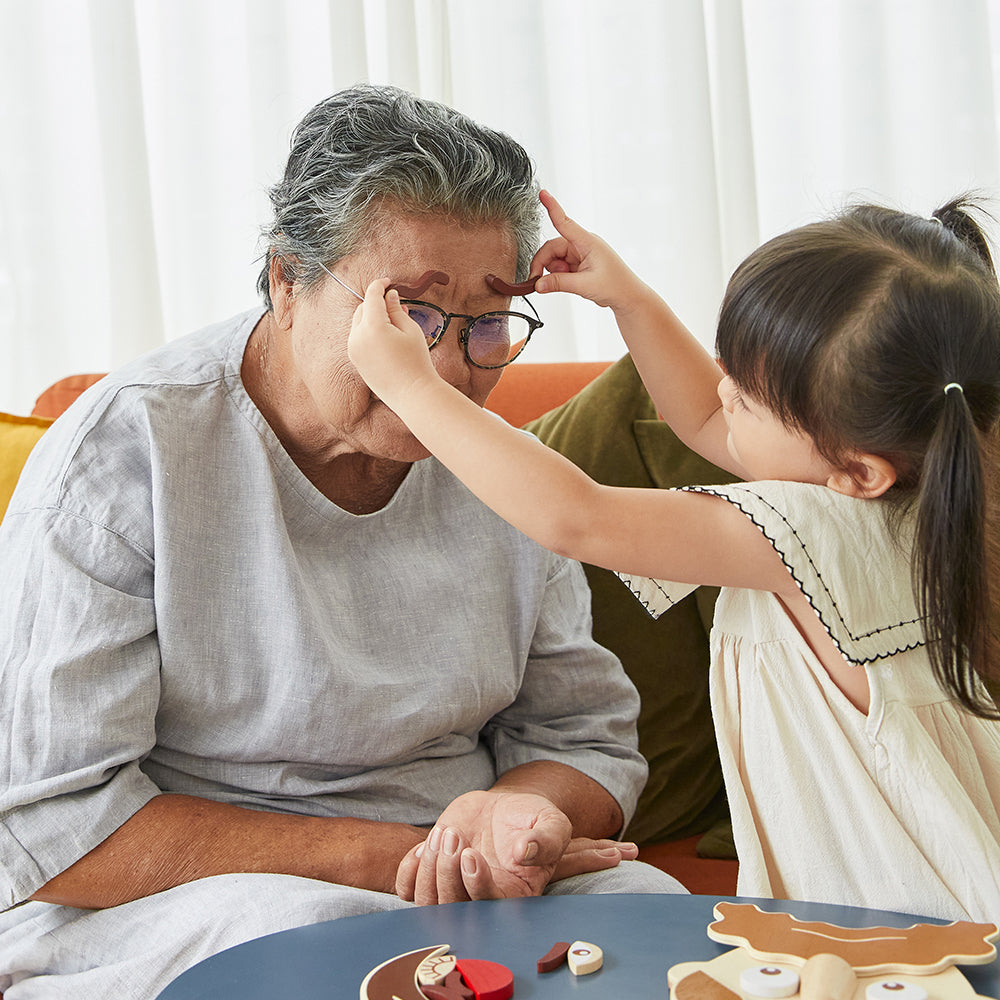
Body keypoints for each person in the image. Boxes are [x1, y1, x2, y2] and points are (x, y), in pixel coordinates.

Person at [0, 88, 684, 999]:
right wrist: (394, 858)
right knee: (323, 949)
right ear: (288, 280)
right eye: (406, 318)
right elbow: (55, 823)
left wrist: (524, 814)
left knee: (652, 915)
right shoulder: (126, 458)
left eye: (486, 324)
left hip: (455, 876)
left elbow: (585, 737)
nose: (446, 371)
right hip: (190, 898)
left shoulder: (503, 472)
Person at [348, 188, 1000, 922]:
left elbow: (576, 518)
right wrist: (628, 298)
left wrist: (408, 385)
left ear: (858, 469)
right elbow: (698, 415)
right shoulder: (923, 502)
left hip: (906, 924)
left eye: (748, 398)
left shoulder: (803, 528)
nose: (722, 391)